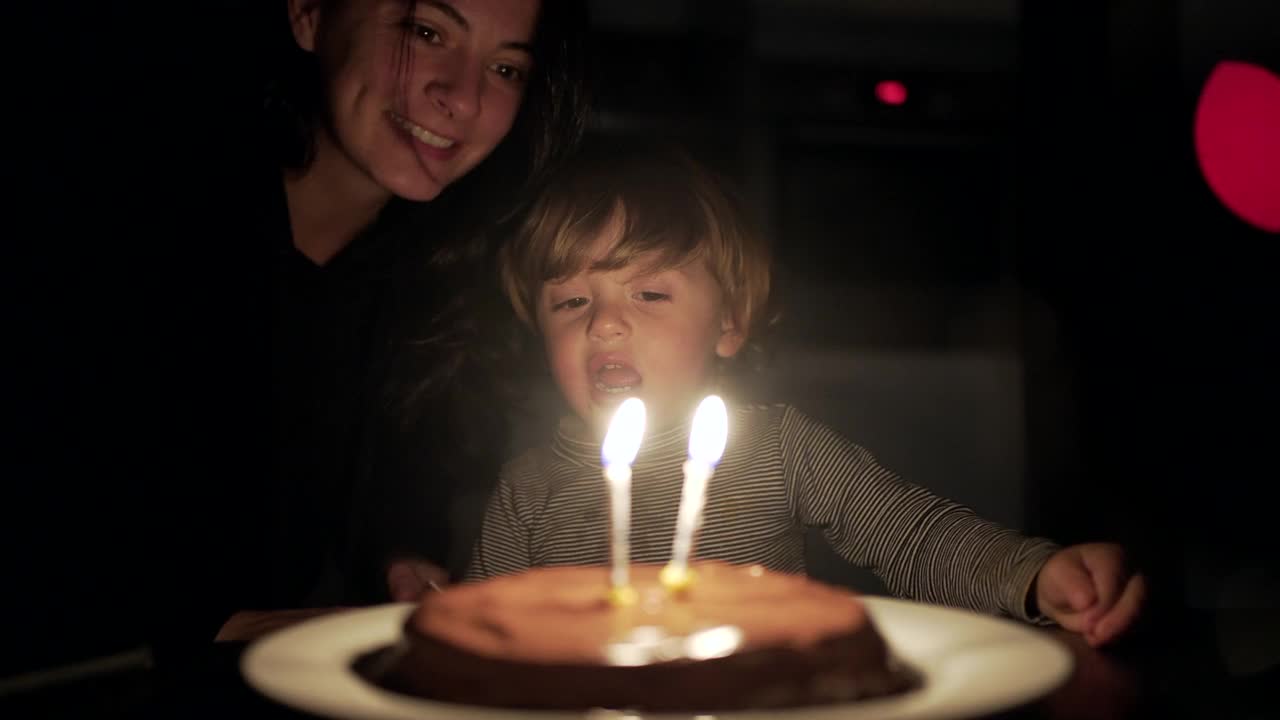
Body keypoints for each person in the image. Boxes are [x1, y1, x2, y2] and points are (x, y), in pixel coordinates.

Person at [468, 142, 1146, 647]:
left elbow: (914, 539)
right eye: (572, 301)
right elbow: (474, 636)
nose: (605, 323)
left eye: (649, 293)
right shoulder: (526, 491)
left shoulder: (782, 447)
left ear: (728, 324)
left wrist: (1033, 575)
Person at [135, 0, 590, 651]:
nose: (461, 97)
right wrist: (221, 630)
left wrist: (400, 560)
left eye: (506, 68)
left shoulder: (448, 290)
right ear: (308, 15)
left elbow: (412, 488)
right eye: (427, 32)